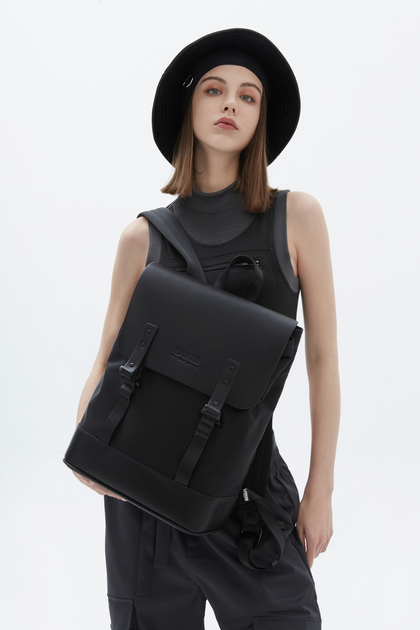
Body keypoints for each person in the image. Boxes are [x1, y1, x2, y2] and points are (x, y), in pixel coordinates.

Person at [72, 28, 340, 630]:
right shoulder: (142, 237)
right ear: (188, 106)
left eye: (248, 96)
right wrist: (89, 454)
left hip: (248, 496)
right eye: (215, 90)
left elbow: (323, 358)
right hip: (142, 498)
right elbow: (107, 359)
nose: (230, 104)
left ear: (261, 119)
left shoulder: (296, 216)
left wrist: (319, 488)